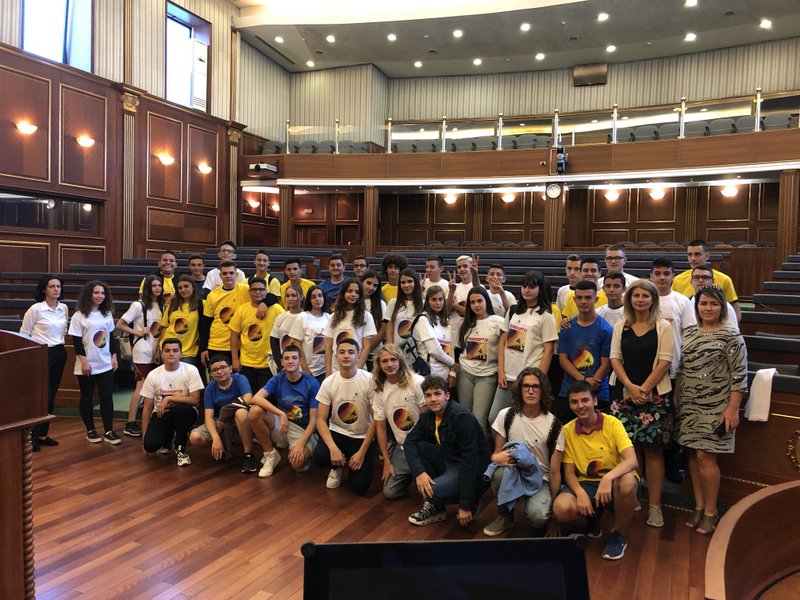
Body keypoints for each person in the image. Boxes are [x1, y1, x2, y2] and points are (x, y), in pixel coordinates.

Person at [675, 285, 747, 535]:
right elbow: (682, 368)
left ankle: (710, 511)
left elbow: (739, 376)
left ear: (722, 307)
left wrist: (733, 409)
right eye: (703, 303)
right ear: (696, 307)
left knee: (706, 457)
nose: (708, 308)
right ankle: (698, 505)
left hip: (718, 406)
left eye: (713, 304)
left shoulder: (732, 336)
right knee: (692, 455)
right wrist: (677, 398)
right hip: (690, 404)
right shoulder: (690, 332)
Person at [609, 279, 674, 528]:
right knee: (629, 449)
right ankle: (632, 496)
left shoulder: (663, 326)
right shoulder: (621, 326)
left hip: (654, 395)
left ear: (653, 300)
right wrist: (630, 387)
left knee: (653, 451)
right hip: (624, 395)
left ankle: (655, 506)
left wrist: (644, 389)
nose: (640, 300)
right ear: (630, 299)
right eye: (636, 295)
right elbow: (615, 359)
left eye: (645, 296)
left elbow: (665, 362)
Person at [552, 380, 639, 561]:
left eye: (585, 400)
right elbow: (568, 472)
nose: (580, 406)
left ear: (595, 401)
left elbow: (632, 460)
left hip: (614, 481)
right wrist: (580, 493)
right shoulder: (567, 430)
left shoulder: (612, 423)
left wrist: (608, 478)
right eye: (574, 402)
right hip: (587, 482)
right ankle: (593, 518)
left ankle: (618, 534)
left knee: (628, 484)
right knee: (561, 508)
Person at [483, 367, 562, 536]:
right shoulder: (506, 415)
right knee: (497, 474)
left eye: (536, 386)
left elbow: (555, 473)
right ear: (519, 389)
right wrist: (496, 458)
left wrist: (555, 519)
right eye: (526, 386)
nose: (530, 391)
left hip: (541, 478)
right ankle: (505, 516)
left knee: (538, 518)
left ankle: (536, 507)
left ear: (543, 390)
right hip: (514, 472)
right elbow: (495, 455)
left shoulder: (554, 424)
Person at [404, 375, 491, 527]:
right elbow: (409, 442)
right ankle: (437, 509)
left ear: (447, 395)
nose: (433, 399)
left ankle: (474, 498)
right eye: (428, 395)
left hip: (470, 469)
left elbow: (470, 461)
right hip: (449, 460)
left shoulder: (461, 417)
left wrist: (465, 504)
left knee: (432, 493)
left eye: (437, 394)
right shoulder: (427, 416)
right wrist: (419, 472)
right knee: (420, 446)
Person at [490, 271, 558, 427]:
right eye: (524, 286)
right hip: (507, 377)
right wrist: (501, 371)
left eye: (532, 287)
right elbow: (502, 342)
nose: (527, 290)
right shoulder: (513, 310)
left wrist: (539, 380)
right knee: (494, 418)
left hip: (528, 380)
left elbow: (548, 350)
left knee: (521, 422)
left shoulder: (546, 316)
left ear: (540, 289)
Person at [313, 338, 376, 494]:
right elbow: (320, 420)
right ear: (336, 356)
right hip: (338, 433)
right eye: (342, 352)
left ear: (358, 355)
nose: (346, 356)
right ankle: (337, 467)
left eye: (351, 352)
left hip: (362, 437)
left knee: (360, 488)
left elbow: (376, 420)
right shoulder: (329, 382)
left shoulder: (369, 380)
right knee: (320, 457)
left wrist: (361, 453)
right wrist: (332, 448)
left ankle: (350, 461)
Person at [249, 345, 321, 476]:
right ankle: (270, 454)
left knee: (297, 464)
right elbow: (256, 398)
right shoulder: (278, 378)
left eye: (294, 358)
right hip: (283, 424)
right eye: (287, 358)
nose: (290, 361)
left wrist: (301, 445)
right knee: (254, 412)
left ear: (300, 361)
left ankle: (306, 453)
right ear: (282, 362)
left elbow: (314, 421)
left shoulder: (312, 383)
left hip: (303, 430)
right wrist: (281, 413)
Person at [68, 280, 120, 444]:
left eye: (102, 293)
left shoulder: (107, 314)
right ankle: (90, 430)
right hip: (87, 363)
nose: (100, 296)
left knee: (107, 397)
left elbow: (111, 337)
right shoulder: (79, 316)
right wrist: (83, 361)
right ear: (89, 294)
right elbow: (76, 342)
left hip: (105, 363)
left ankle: (109, 430)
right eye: (96, 292)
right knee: (87, 397)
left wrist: (113, 356)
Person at [20, 274, 68, 451]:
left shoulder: (63, 308)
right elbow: (24, 334)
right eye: (52, 286)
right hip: (41, 353)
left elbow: (64, 331)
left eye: (58, 286)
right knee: (41, 394)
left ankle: (43, 434)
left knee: (52, 393)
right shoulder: (36, 309)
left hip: (59, 352)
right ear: (44, 290)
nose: (56, 289)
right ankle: (32, 437)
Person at [371, 345, 426, 499]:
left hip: (422, 446)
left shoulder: (417, 382)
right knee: (390, 492)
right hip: (402, 448)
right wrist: (387, 462)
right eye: (385, 361)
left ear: (400, 361)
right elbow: (380, 429)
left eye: (393, 359)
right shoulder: (380, 389)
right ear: (379, 365)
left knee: (429, 493)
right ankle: (409, 474)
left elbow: (428, 419)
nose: (390, 364)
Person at [556, 280, 613, 424]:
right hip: (568, 390)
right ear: (574, 300)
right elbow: (563, 359)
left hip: (598, 391)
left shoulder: (606, 329)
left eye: (588, 297)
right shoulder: (567, 327)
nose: (583, 301)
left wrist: (590, 385)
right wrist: (583, 380)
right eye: (580, 298)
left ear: (596, 299)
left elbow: (606, 364)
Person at [188, 354, 257, 473]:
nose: (219, 372)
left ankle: (248, 455)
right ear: (211, 374)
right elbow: (209, 416)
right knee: (195, 437)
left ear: (230, 368)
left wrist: (226, 413)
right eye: (215, 370)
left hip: (239, 420)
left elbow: (248, 399)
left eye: (223, 367)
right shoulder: (210, 388)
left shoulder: (240, 379)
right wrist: (215, 438)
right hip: (220, 422)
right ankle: (222, 445)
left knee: (241, 413)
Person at [141, 338, 204, 466]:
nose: (171, 354)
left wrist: (169, 398)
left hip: (186, 412)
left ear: (181, 353)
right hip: (161, 413)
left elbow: (195, 399)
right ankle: (167, 439)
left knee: (181, 410)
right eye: (167, 351)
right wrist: (144, 437)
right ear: (162, 353)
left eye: (175, 350)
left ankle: (180, 448)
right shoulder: (153, 375)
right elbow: (147, 409)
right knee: (150, 445)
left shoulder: (191, 370)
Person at [118, 274, 165, 437]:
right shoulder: (138, 305)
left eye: (159, 285)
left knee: (154, 385)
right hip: (142, 349)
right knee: (141, 385)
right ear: (147, 288)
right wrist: (137, 332)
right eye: (154, 286)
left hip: (156, 349)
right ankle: (130, 422)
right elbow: (120, 324)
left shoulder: (162, 305)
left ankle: (150, 419)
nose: (157, 288)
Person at [456, 286, 507, 437]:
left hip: (487, 375)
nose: (476, 305)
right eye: (472, 302)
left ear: (486, 301)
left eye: (479, 301)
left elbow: (505, 348)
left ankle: (482, 452)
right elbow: (459, 350)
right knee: (465, 418)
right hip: (465, 373)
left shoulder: (498, 322)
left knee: (479, 420)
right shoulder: (465, 324)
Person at [201, 261, 263, 367]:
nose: (228, 276)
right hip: (216, 345)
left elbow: (266, 295)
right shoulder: (212, 295)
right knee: (219, 375)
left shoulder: (246, 290)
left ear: (236, 275)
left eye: (231, 273)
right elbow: (206, 324)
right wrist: (203, 348)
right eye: (224, 273)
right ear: (220, 275)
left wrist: (264, 303)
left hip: (240, 345)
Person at [229, 277, 285, 392]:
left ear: (266, 291)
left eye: (261, 289)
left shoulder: (277, 309)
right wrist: (235, 360)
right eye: (254, 290)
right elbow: (234, 335)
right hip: (247, 363)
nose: (258, 292)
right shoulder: (242, 310)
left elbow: (286, 333)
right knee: (248, 396)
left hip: (269, 363)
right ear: (249, 292)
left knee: (267, 398)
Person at [671, 239, 741, 321]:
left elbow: (735, 309)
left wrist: (732, 326)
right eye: (690, 255)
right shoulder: (678, 280)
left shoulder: (724, 279)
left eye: (697, 254)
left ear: (707, 256)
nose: (693, 258)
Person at [649, 257, 697, 375]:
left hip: (673, 363)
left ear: (673, 276)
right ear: (651, 276)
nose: (662, 277)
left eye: (666, 274)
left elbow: (690, 334)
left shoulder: (683, 301)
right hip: (645, 361)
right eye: (657, 274)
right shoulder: (642, 300)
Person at [323, 278, 376, 375]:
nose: (353, 294)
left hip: (358, 370)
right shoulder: (334, 316)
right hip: (336, 370)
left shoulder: (366, 316)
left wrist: (355, 370)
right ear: (343, 293)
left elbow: (367, 347)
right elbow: (328, 347)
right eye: (350, 291)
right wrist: (328, 373)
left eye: (357, 292)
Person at [411, 284, 455, 382]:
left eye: (440, 299)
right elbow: (434, 350)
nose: (438, 303)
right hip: (429, 374)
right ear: (427, 301)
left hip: (445, 373)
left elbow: (450, 348)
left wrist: (452, 372)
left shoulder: (445, 321)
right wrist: (453, 364)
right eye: (434, 299)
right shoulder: (423, 320)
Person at [289, 285, 331, 383]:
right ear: (309, 300)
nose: (317, 299)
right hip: (307, 370)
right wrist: (305, 368)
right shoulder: (303, 317)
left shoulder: (329, 318)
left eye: (320, 296)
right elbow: (297, 344)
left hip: (325, 370)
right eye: (313, 297)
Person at [160, 274, 203, 367]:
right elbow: (165, 327)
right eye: (180, 288)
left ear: (193, 287)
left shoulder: (201, 304)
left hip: (188, 352)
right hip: (168, 349)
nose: (183, 290)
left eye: (186, 286)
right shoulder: (172, 304)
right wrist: (158, 350)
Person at [385, 267, 423, 355]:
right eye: (403, 282)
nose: (406, 285)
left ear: (416, 283)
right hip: (398, 352)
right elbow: (389, 330)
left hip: (419, 352)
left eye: (410, 281)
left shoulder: (424, 304)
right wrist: (390, 350)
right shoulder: (393, 303)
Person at [688, 264, 739, 330]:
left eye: (705, 277)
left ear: (713, 281)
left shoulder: (725, 306)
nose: (700, 280)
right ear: (691, 281)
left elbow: (733, 332)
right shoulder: (686, 303)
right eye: (696, 277)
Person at [269, 283, 303, 373]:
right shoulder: (281, 317)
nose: (290, 299)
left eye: (293, 295)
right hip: (285, 365)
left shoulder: (307, 317)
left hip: (303, 365)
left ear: (301, 297)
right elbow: (274, 343)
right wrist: (281, 365)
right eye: (287, 296)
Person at [447, 254, 480, 343]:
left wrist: (456, 306)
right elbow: (447, 312)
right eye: (459, 267)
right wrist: (451, 292)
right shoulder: (454, 287)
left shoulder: (479, 287)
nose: (461, 269)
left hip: (473, 334)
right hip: (454, 335)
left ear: (471, 268)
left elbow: (474, 314)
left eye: (465, 266)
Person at [359, 270, 386, 371]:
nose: (371, 288)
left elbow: (382, 331)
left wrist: (367, 349)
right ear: (361, 282)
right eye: (368, 283)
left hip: (374, 353)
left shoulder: (381, 304)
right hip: (355, 351)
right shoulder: (354, 301)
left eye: (375, 285)